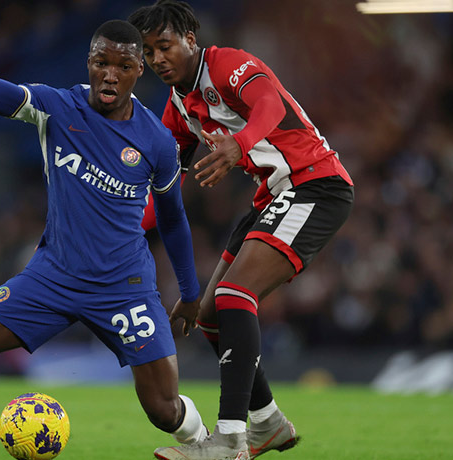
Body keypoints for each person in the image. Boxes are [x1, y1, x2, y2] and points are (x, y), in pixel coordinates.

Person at [0, 1, 210, 459]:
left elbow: (172, 218)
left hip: (124, 288)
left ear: (138, 71)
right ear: (89, 62)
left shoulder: (158, 142)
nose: (110, 75)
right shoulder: (55, 106)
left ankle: (212, 449)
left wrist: (188, 290)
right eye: (101, 63)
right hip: (53, 277)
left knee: (164, 410)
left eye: (123, 66)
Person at [129, 1, 354, 459]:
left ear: (190, 40)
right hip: (273, 196)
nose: (157, 59)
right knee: (210, 314)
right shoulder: (178, 106)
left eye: (164, 46)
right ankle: (267, 422)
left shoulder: (227, 63)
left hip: (316, 183)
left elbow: (269, 103)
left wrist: (239, 144)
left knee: (236, 296)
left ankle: (229, 440)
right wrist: (127, 225)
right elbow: (166, 182)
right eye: (149, 52)